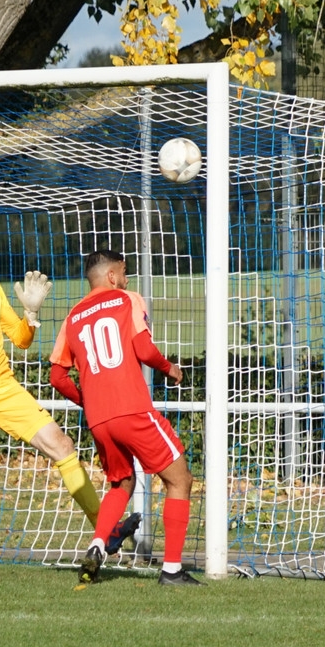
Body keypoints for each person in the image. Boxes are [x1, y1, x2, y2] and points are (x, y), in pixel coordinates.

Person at [0, 226, 139, 570]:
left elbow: (21, 339)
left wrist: (30, 314)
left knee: (62, 445)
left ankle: (106, 533)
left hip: (4, 388)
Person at [49, 250, 203, 586]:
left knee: (122, 483)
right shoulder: (126, 299)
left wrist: (87, 401)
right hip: (132, 409)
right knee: (180, 479)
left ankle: (98, 544)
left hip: (99, 419)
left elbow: (57, 377)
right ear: (112, 276)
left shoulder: (72, 316)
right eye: (124, 271)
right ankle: (172, 570)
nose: (127, 278)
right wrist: (169, 368)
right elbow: (144, 350)